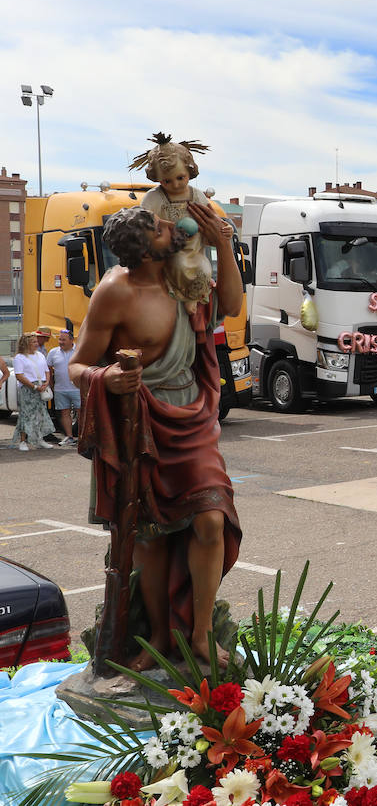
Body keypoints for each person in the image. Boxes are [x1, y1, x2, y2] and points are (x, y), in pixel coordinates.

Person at [68, 202, 243, 670]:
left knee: (211, 519)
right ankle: (164, 637)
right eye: (164, 228)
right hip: (140, 422)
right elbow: (77, 364)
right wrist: (105, 379)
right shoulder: (114, 292)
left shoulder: (183, 276)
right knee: (151, 536)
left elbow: (230, 305)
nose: (175, 226)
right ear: (147, 249)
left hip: (191, 413)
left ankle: (202, 633)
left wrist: (222, 243)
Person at [8, 333, 57, 451]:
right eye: (34, 342)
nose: (37, 344)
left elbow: (47, 371)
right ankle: (23, 441)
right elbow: (20, 376)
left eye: (36, 342)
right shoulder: (19, 358)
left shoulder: (40, 355)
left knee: (41, 414)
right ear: (26, 344)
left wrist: (46, 383)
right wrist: (34, 387)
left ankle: (40, 439)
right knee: (26, 415)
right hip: (28, 389)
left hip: (41, 386)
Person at [46, 328, 81, 446]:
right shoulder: (53, 352)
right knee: (64, 413)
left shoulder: (79, 351)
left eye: (63, 340)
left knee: (82, 413)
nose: (60, 342)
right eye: (60, 339)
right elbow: (48, 369)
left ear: (71, 340)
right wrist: (51, 385)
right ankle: (69, 437)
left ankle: (83, 437)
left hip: (77, 388)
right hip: (60, 389)